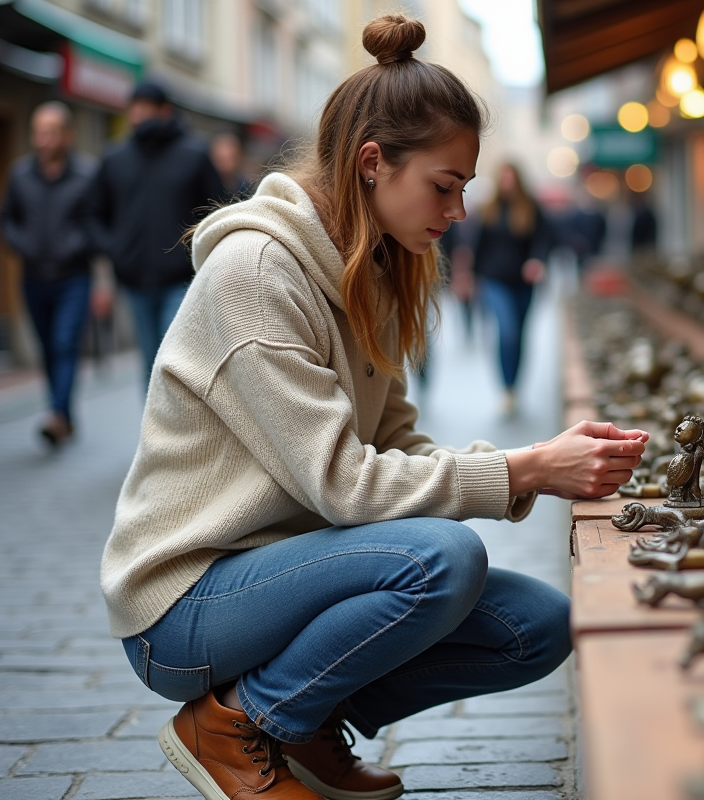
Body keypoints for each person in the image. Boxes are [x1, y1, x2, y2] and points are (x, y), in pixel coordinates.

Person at [99, 14, 647, 800]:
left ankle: (301, 719)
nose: (457, 212)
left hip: (291, 580)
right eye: (445, 186)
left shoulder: (374, 271)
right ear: (370, 163)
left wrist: (535, 468)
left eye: (465, 190)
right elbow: (347, 487)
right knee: (440, 559)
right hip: (185, 607)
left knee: (539, 627)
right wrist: (524, 466)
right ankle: (234, 722)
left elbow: (396, 443)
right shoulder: (256, 274)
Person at [87, 79, 226, 386]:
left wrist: (196, 254)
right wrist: (115, 249)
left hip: (181, 279)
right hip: (135, 282)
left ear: (165, 110)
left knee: (174, 359)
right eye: (134, 108)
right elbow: (93, 215)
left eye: (145, 108)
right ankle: (153, 433)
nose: (138, 115)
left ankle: (182, 430)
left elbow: (219, 210)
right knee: (150, 363)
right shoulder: (114, 158)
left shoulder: (194, 154)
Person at [0, 101, 96, 446]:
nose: (43, 140)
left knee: (64, 343)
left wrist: (77, 245)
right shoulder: (21, 174)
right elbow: (7, 217)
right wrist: (20, 244)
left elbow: (96, 223)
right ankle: (65, 415)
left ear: (68, 135)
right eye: (38, 132)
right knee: (47, 348)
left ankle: (55, 415)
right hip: (33, 276)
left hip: (74, 276)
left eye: (50, 132)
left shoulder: (86, 175)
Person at [467, 162, 551, 416]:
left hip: (523, 284)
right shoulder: (488, 210)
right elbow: (477, 245)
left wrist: (538, 260)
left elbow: (544, 240)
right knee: (508, 332)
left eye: (511, 178)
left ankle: (515, 387)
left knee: (521, 336)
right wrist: (470, 277)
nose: (507, 183)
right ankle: (505, 388)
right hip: (494, 281)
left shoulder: (530, 208)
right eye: (503, 178)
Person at [210, 132, 253, 199]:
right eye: (221, 159)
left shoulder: (245, 188)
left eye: (231, 158)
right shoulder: (204, 186)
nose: (225, 164)